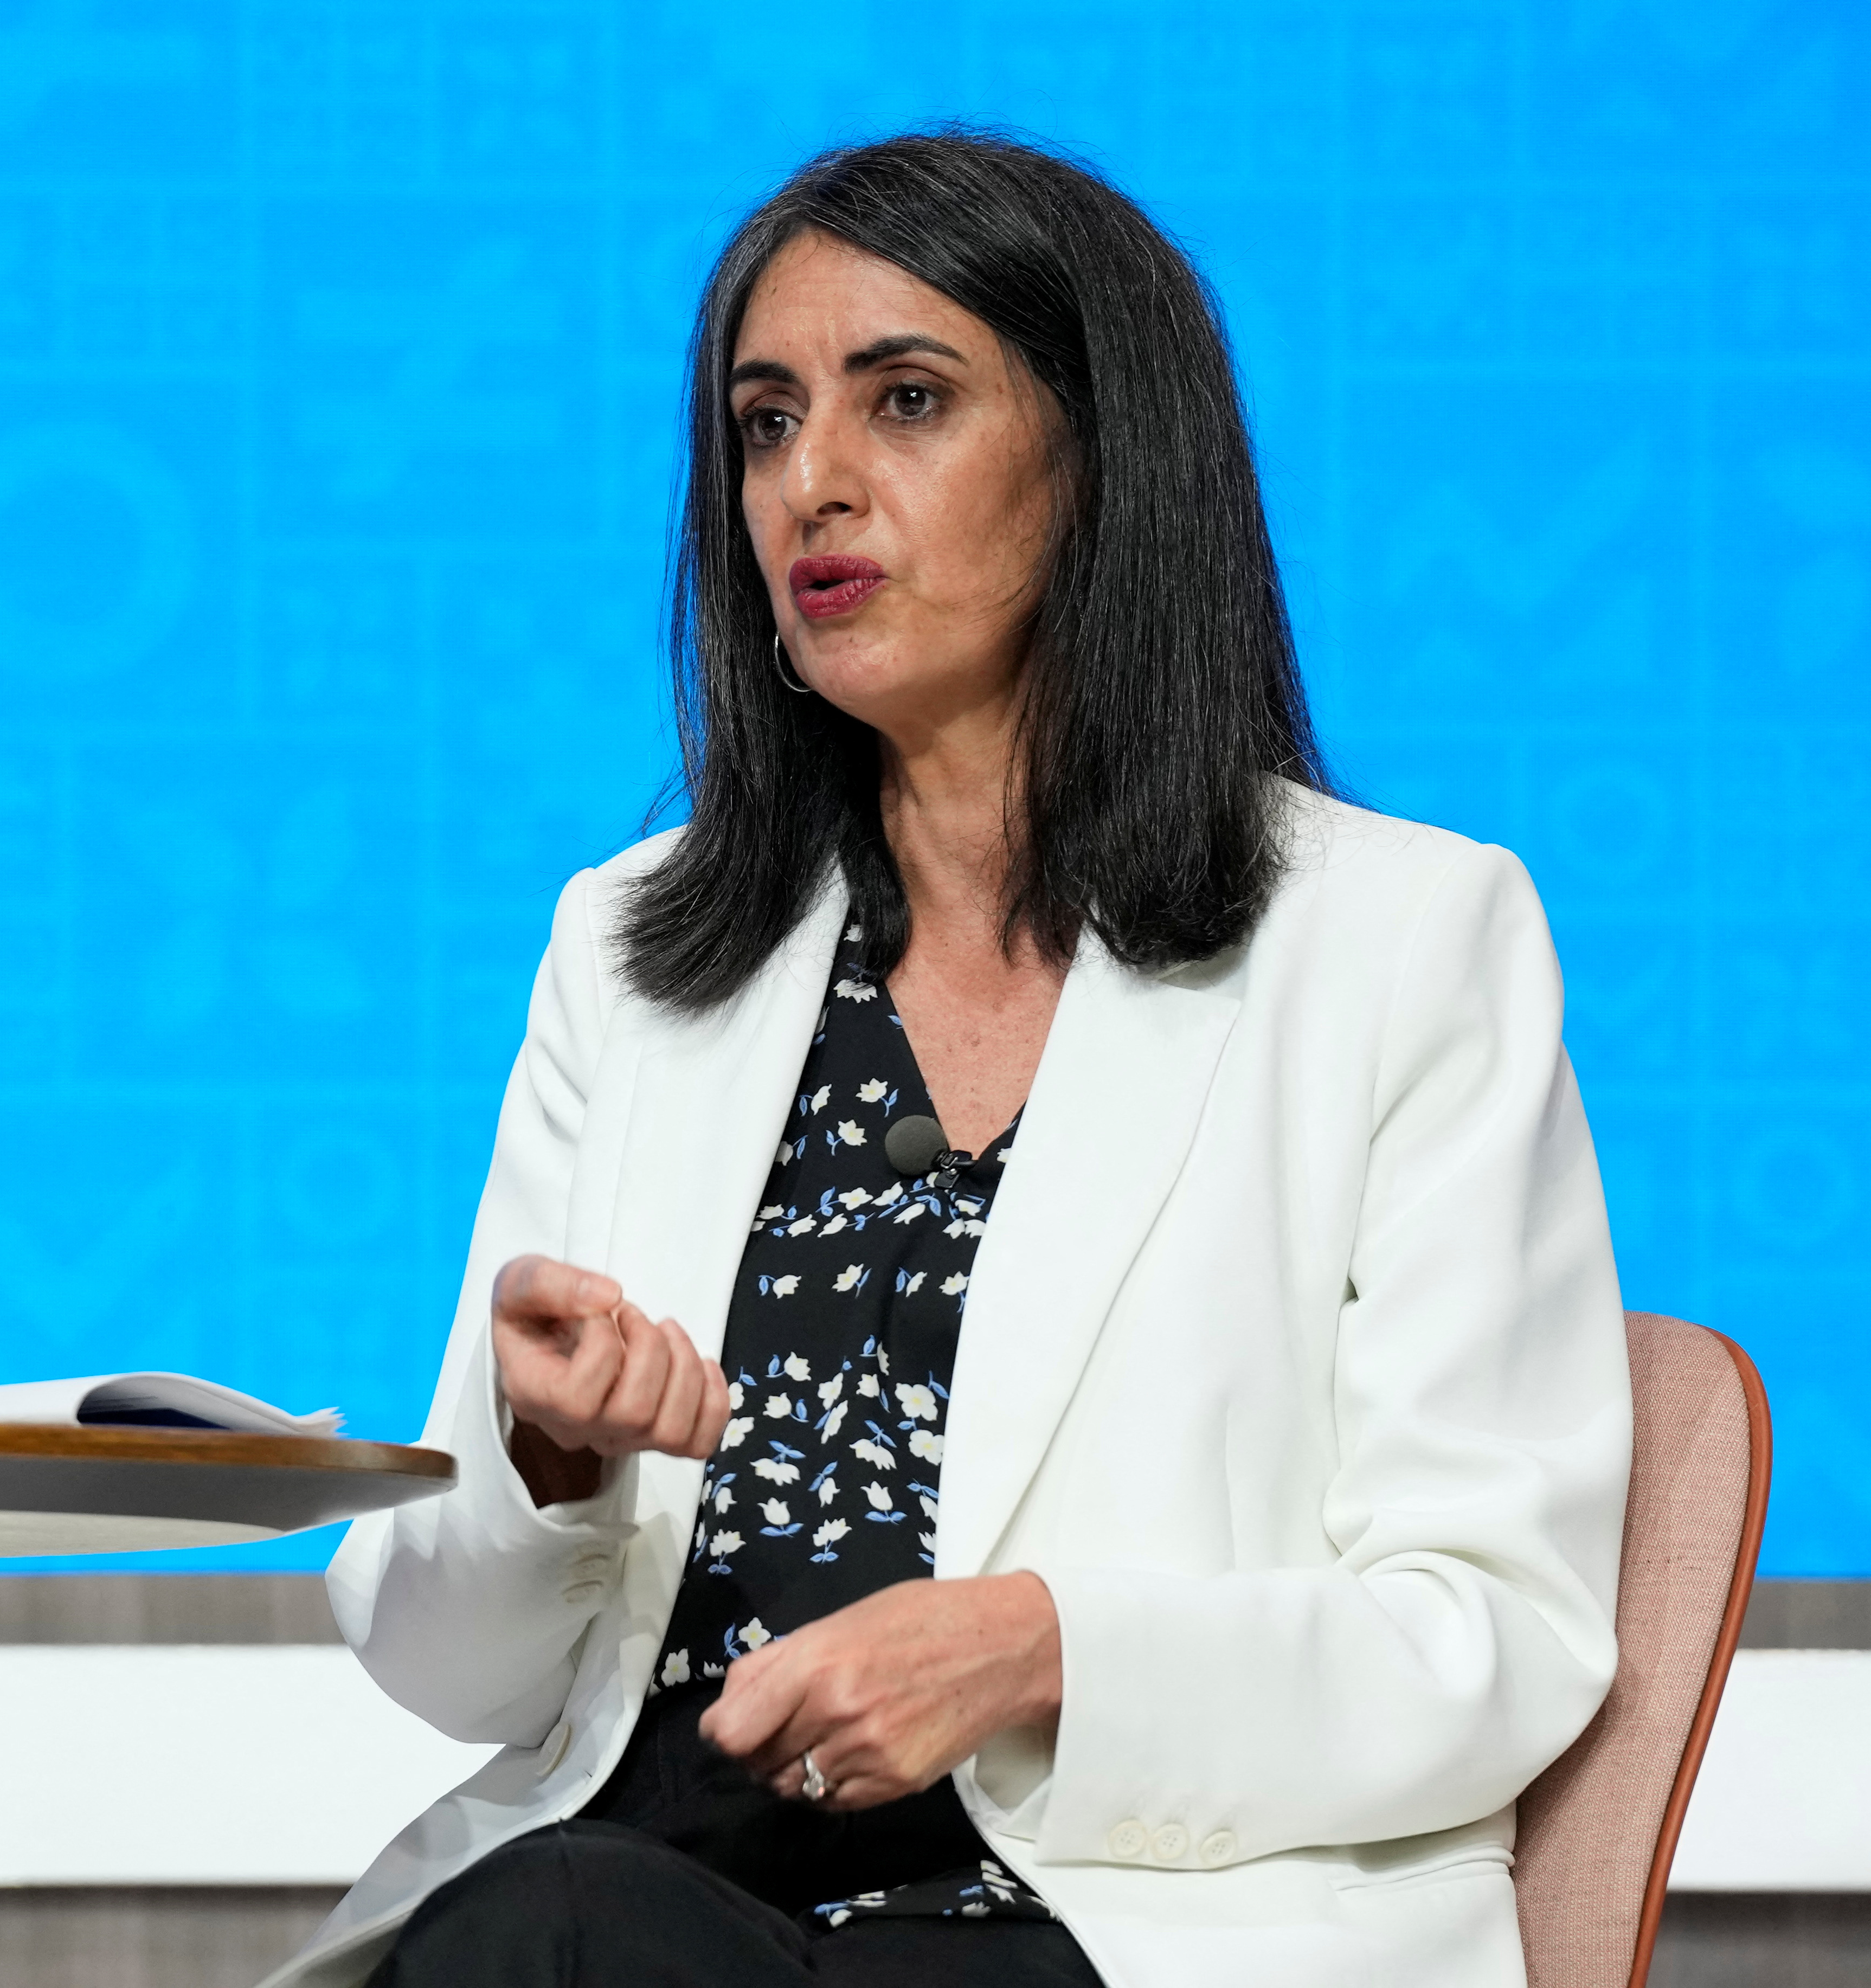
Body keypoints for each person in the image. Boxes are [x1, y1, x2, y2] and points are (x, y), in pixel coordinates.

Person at [265, 129, 1631, 1988]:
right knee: (557, 1923)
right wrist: (545, 1462)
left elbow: (1488, 1637)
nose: (810, 482)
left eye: (902, 401)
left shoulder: (1404, 940)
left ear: (1105, 460)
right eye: (761, 424)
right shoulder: (633, 946)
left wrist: (1037, 1644)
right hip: (645, 1884)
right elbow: (443, 1671)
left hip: (1107, 1914)